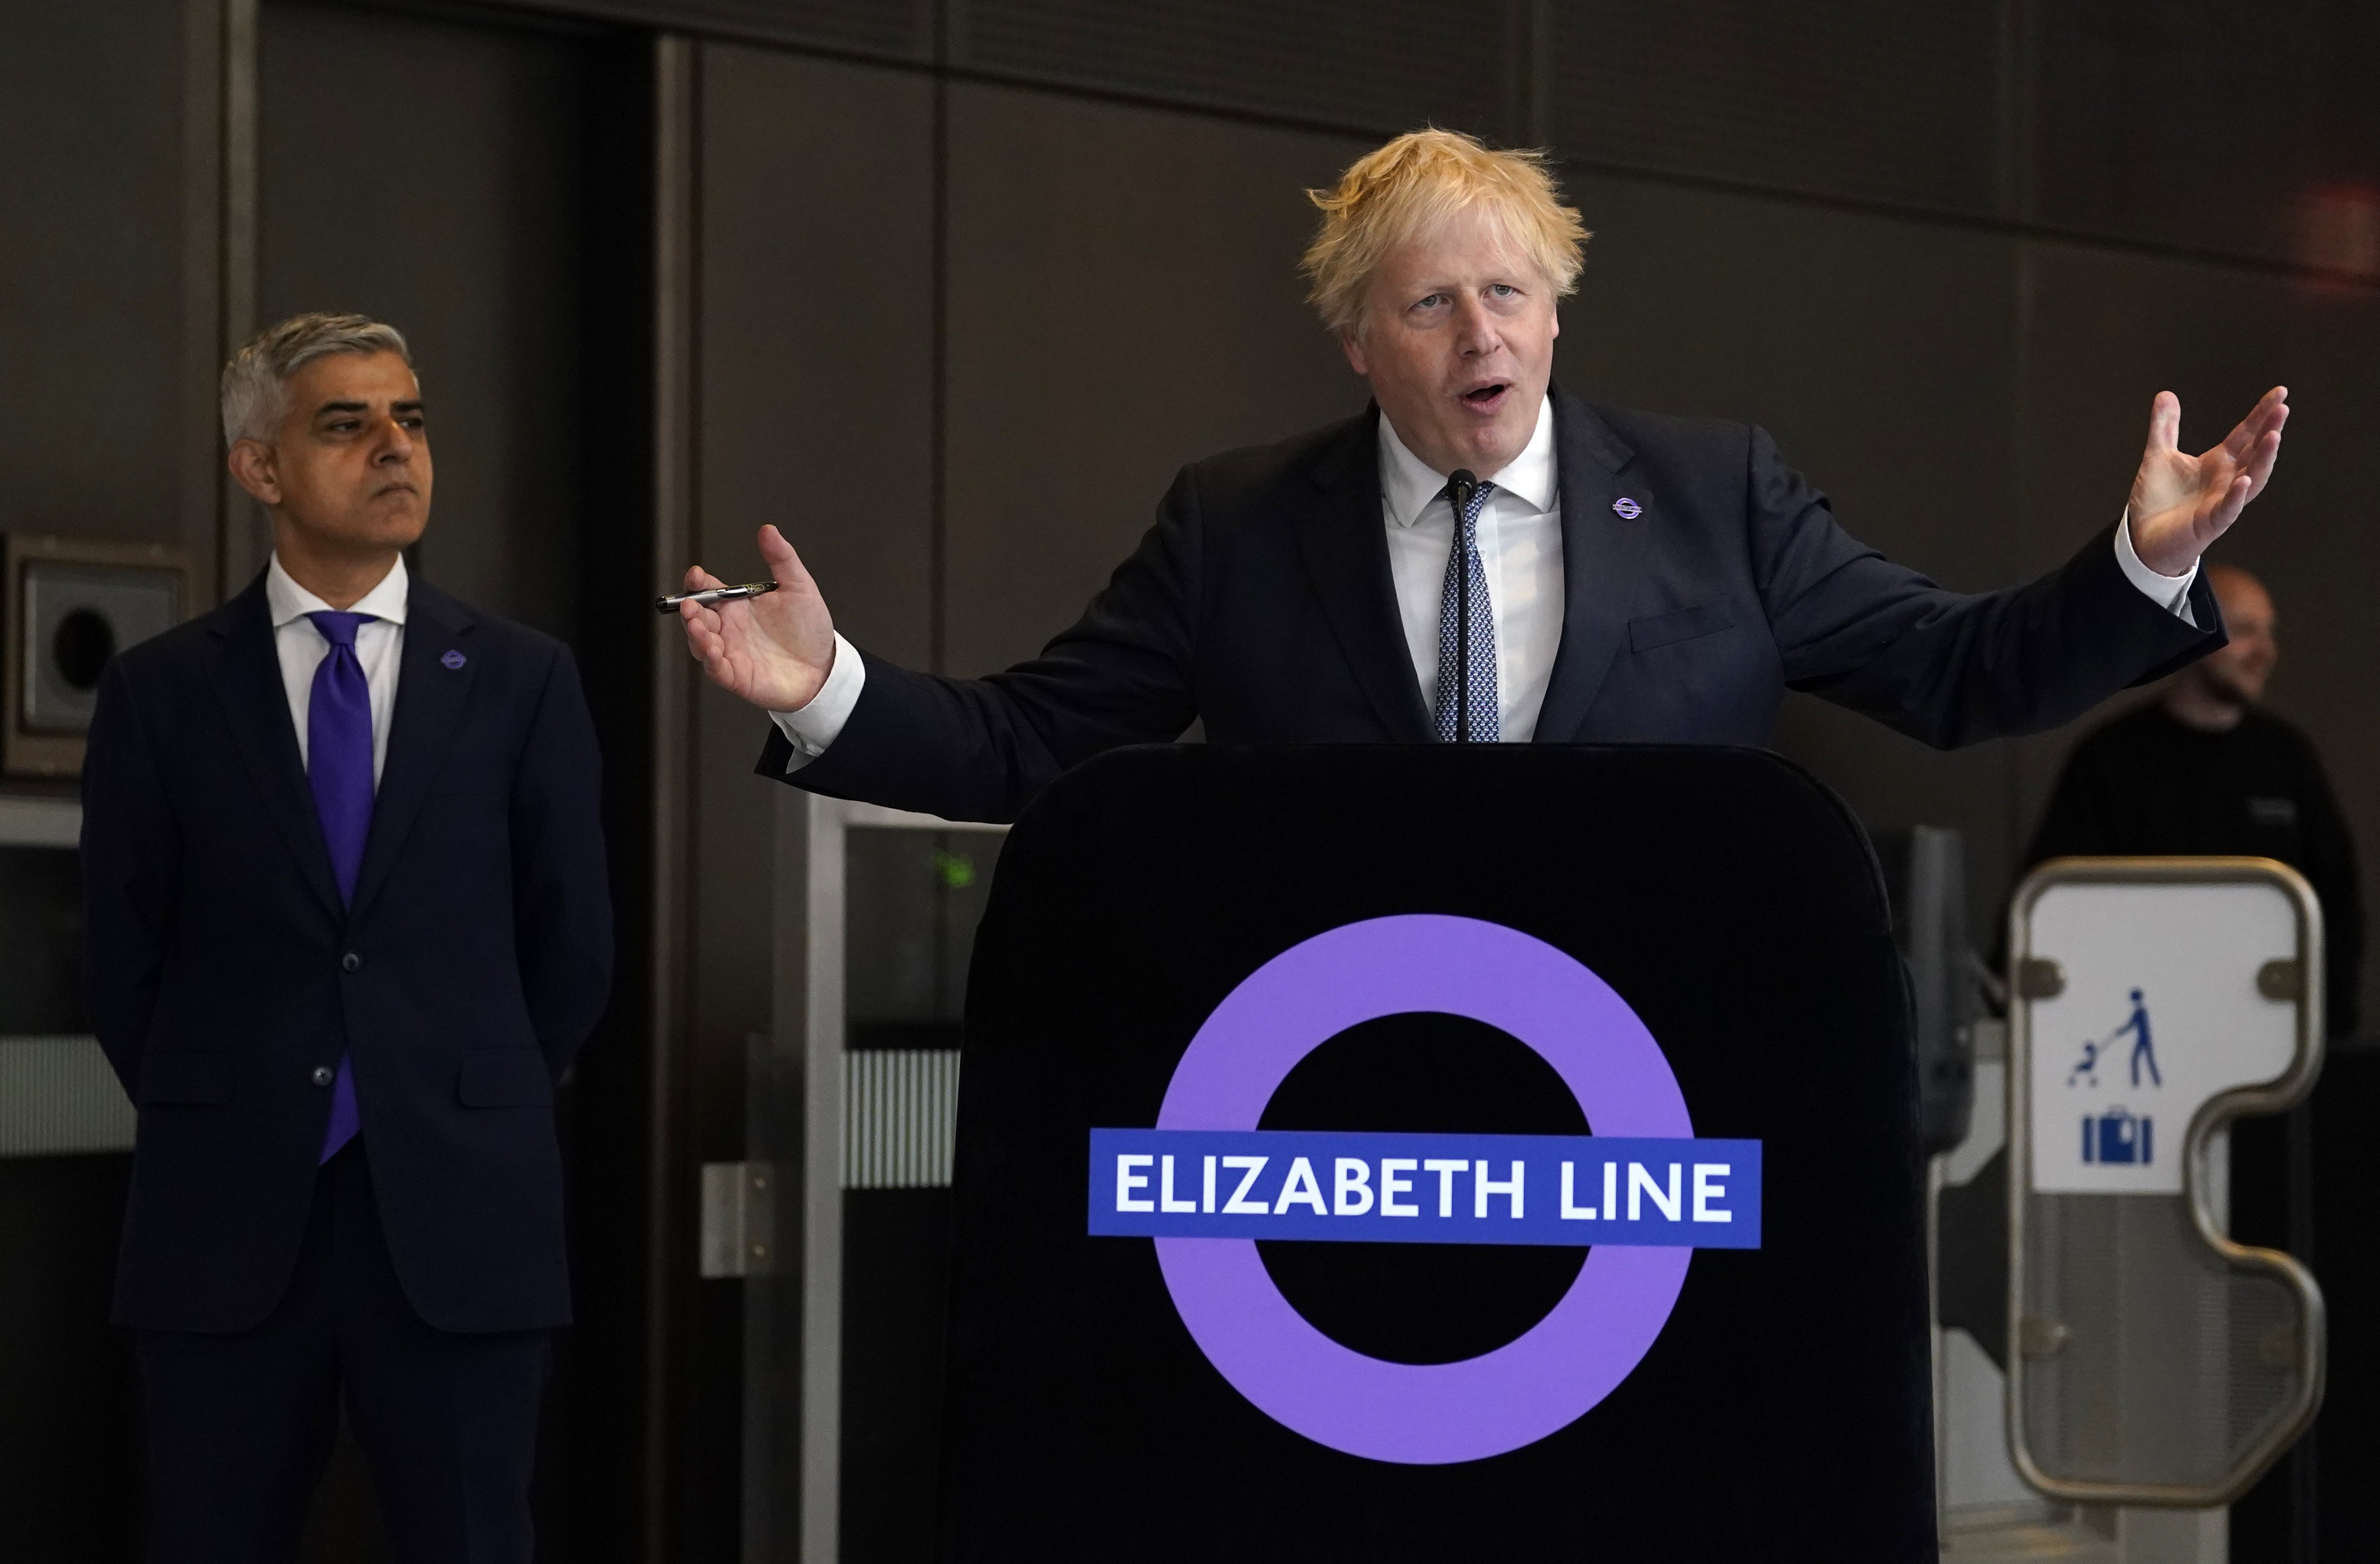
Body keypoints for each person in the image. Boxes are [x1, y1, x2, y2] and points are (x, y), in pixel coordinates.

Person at [677, 129, 2286, 825]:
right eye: (1427, 301)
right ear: (1355, 342)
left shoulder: (1718, 496)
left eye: (1506, 292)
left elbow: (1956, 672)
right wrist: (826, 689)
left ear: (1556, 311)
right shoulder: (1233, 525)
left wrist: (2138, 568)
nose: (1477, 332)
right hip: (1335, 1102)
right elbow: (1035, 743)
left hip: (1645, 1101)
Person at [80, 313, 613, 1562]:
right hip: (225, 1218)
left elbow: (572, 945)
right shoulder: (162, 694)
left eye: (411, 419)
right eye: (346, 422)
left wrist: (460, 1092)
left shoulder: (526, 680)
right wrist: (227, 1097)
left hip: (461, 1212)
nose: (395, 446)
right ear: (259, 468)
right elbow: (121, 954)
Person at [2025, 565, 2364, 1034]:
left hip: (2270, 1033)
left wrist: (2331, 1029)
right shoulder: (2112, 758)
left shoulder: (2287, 757)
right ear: (2189, 635)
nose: (2266, 652)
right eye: (2246, 632)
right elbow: (2057, 901)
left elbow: (2336, 902)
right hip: (2145, 1026)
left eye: (2270, 634)